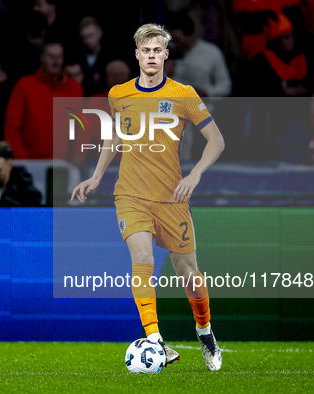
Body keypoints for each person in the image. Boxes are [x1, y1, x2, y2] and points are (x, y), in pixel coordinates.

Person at [71, 24, 225, 371]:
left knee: (188, 271)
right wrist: (96, 175)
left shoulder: (183, 94)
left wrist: (195, 174)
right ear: (137, 54)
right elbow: (114, 137)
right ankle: (154, 339)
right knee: (141, 256)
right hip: (130, 194)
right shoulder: (119, 94)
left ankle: (205, 331)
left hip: (172, 196)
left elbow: (216, 140)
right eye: (146, 50)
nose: (152, 56)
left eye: (158, 50)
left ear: (166, 55)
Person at [4, 42, 83, 160]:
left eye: (59, 56)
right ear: (42, 58)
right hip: (30, 162)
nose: (55, 61)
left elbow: (81, 128)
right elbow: (12, 128)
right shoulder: (24, 86)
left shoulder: (74, 88)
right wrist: (23, 160)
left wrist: (78, 156)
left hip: (63, 164)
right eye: (51, 56)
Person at [167, 12, 231, 97]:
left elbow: (225, 86)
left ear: (189, 34)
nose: (173, 44)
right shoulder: (165, 53)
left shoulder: (211, 52)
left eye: (176, 39)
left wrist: (207, 92)